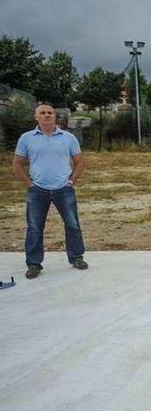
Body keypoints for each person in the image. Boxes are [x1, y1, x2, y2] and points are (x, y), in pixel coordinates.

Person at [11, 103, 89, 279]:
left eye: (50, 113)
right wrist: (29, 183)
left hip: (64, 189)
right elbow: (17, 163)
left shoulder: (68, 138)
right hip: (37, 190)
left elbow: (80, 162)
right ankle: (33, 264)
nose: (47, 115)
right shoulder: (26, 138)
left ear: (55, 116)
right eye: (42, 113)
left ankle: (77, 257)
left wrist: (71, 181)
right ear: (36, 116)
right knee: (34, 228)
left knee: (73, 225)